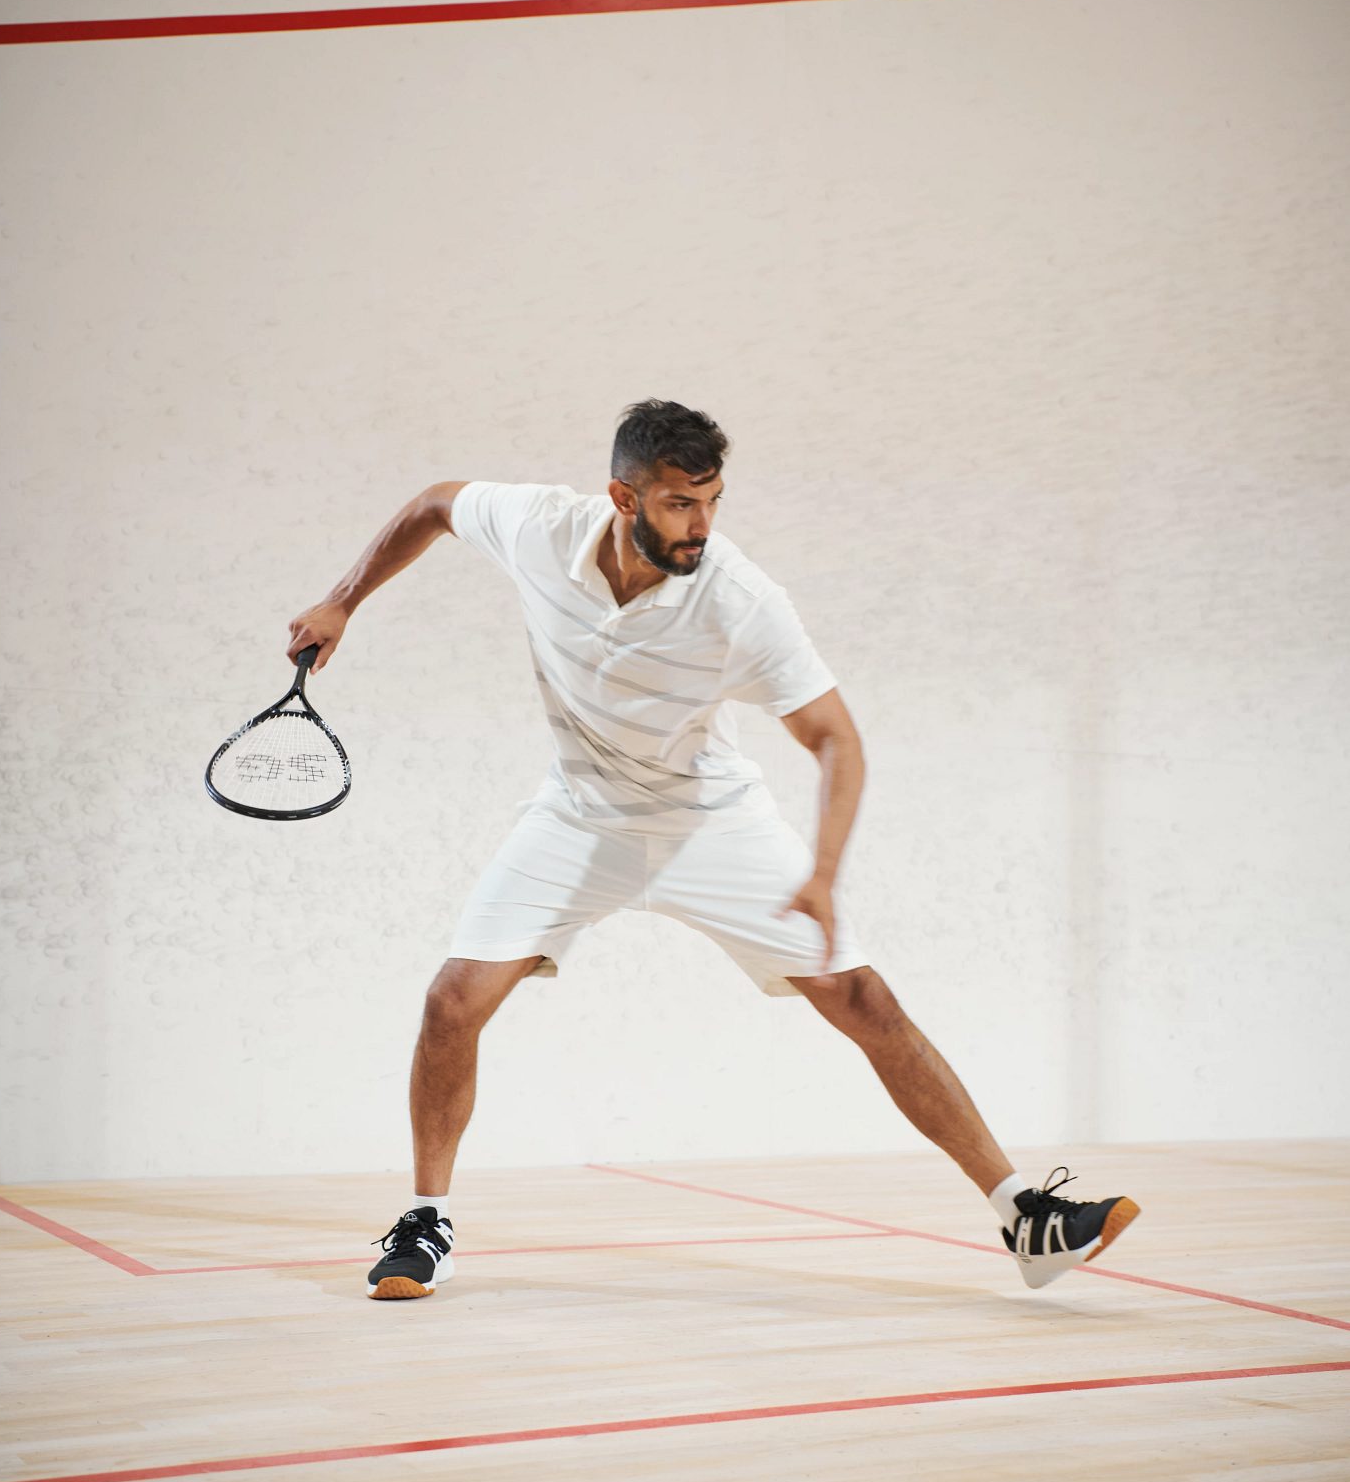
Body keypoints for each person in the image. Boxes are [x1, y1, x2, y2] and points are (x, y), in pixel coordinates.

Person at [287, 399, 1139, 1301]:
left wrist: (821, 871)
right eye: (678, 504)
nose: (700, 524)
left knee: (863, 1000)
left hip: (709, 820)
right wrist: (342, 601)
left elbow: (835, 738)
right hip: (577, 816)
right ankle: (425, 1222)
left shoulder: (740, 601)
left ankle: (1025, 1217)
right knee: (452, 1002)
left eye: (712, 500)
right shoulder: (539, 527)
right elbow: (434, 503)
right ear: (622, 497)